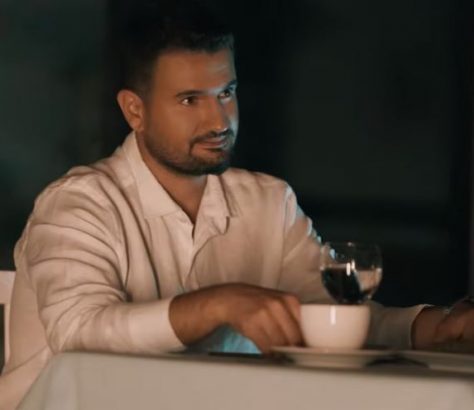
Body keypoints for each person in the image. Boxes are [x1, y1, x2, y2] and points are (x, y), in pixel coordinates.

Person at [1, 1, 473, 408]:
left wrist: (428, 328)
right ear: (134, 111)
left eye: (226, 93)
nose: (218, 120)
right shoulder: (76, 205)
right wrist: (218, 303)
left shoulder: (269, 202)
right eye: (190, 100)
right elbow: (79, 332)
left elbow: (326, 316)